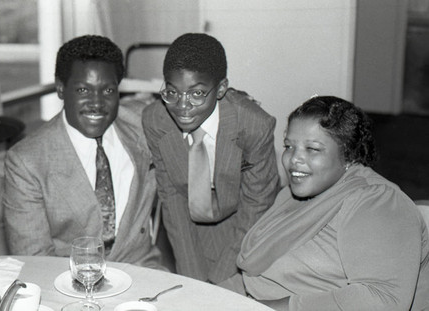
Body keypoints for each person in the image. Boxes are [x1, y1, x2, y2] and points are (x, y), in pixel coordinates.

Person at [229, 96, 429, 310]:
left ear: (348, 154)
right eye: (289, 146)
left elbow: (382, 299)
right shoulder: (291, 195)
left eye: (312, 149)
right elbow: (253, 276)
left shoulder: (378, 202)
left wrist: (270, 307)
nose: (293, 159)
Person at [3, 35, 162, 269]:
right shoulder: (27, 161)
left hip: (142, 269)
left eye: (108, 90)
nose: (96, 103)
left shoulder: (144, 124)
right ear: (60, 88)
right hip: (67, 281)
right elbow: (34, 259)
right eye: (82, 90)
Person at [142, 33, 280, 284]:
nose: (183, 106)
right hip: (188, 223)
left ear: (222, 89)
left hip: (246, 226)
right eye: (172, 91)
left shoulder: (253, 125)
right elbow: (171, 198)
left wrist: (219, 283)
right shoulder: (156, 120)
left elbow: (256, 207)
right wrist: (193, 277)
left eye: (197, 94)